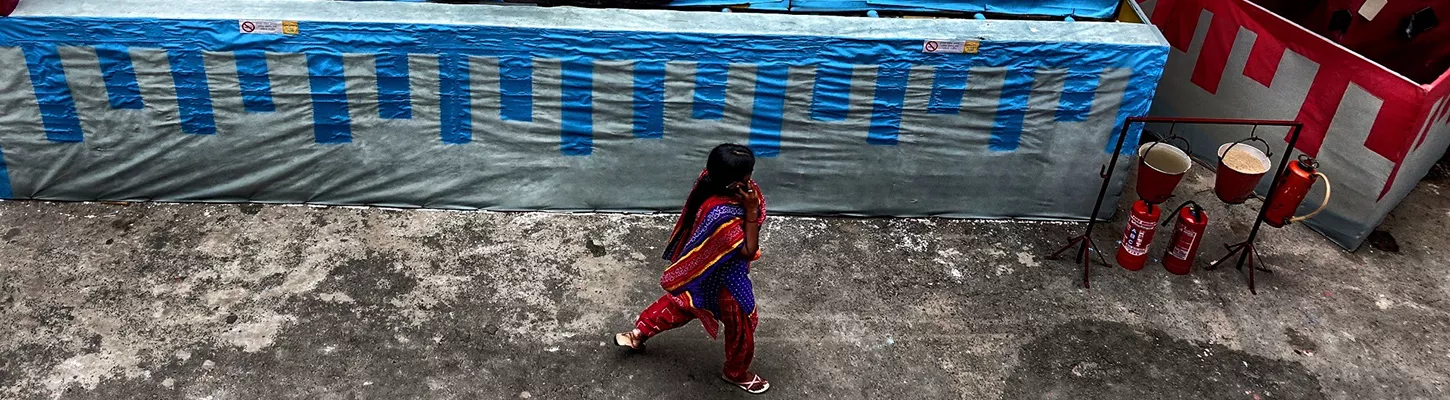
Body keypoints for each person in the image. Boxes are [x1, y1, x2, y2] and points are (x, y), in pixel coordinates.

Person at [615, 143, 769, 394]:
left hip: (702, 270)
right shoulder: (722, 215)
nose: (751, 178)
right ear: (733, 183)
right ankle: (736, 372)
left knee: (683, 303)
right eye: (748, 173)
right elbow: (749, 250)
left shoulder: (709, 181)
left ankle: (638, 333)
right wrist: (751, 210)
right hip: (727, 279)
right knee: (741, 325)